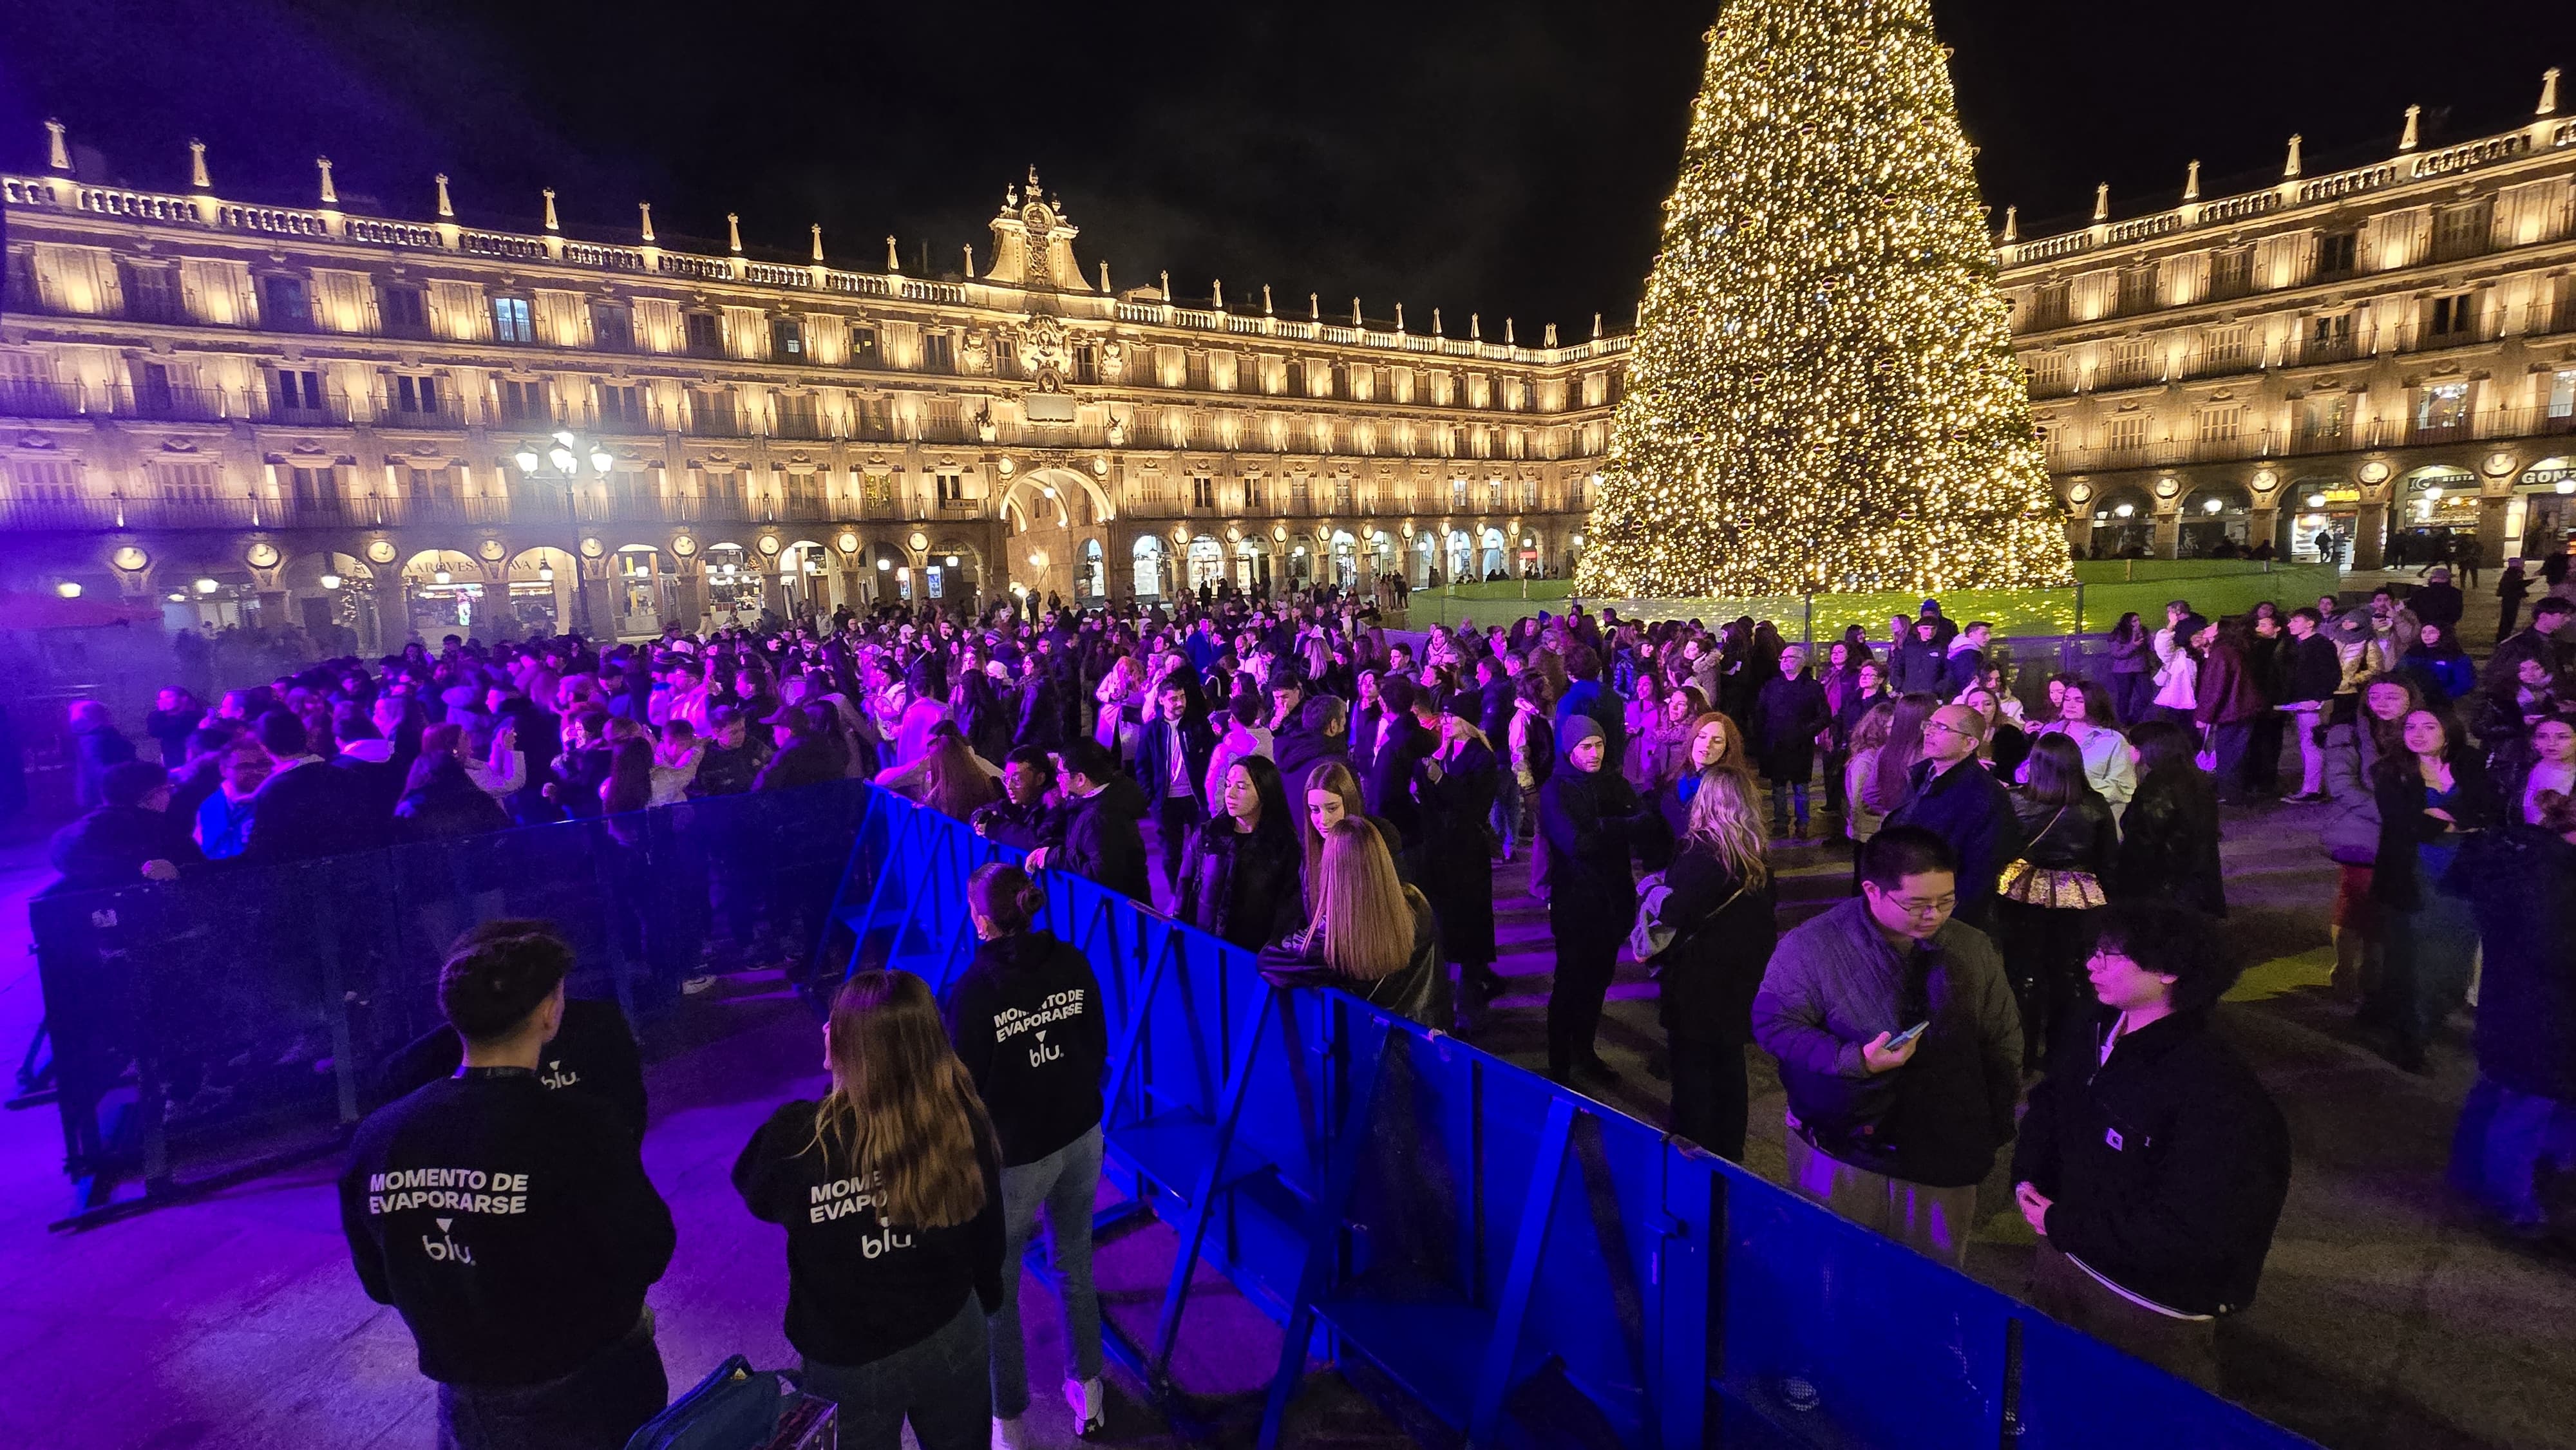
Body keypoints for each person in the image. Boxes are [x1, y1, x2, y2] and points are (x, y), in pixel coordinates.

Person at [341, 923, 675, 1450]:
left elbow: (380, 1278)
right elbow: (648, 1248)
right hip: (586, 1383)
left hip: (464, 1390)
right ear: (549, 1011)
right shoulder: (579, 1128)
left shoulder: (381, 1135)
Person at [2011, 901, 2291, 1390]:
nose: (2090, 965)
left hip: (2145, 1302)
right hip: (2067, 1255)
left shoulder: (2214, 1093)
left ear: (2168, 971)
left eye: (2111, 956)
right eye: (2094, 951)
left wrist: (2061, 1222)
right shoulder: (2097, 1024)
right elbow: (2052, 1104)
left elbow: (2198, 1229)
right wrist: (2029, 1178)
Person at [734, 971, 1005, 1450]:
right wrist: (988, 1295)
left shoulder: (800, 1139)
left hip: (848, 1360)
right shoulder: (960, 1118)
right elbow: (988, 1230)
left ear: (852, 1049)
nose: (824, 1031)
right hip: (950, 1328)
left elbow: (756, 1192)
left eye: (836, 1028)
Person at [1750, 827, 2022, 1268]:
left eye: (1946, 901)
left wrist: (1994, 1121)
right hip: (1844, 1144)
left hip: (1942, 1152)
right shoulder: (1813, 945)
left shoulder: (1971, 946)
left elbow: (2003, 1040)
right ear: (1872, 890)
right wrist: (1853, 1061)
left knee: (1931, 1275)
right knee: (1837, 1265)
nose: (1933, 915)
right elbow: (1773, 1023)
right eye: (1916, 904)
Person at [942, 866, 1110, 1445]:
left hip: (1014, 1158)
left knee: (997, 1289)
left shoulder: (974, 991)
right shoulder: (1074, 962)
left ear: (982, 919)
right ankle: (1090, 1394)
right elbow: (1096, 1047)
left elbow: (962, 1086)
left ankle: (1008, 1423)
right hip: (1081, 1139)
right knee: (1076, 1266)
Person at [2445, 789, 2576, 1241]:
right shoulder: (2554, 875)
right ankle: (2514, 1206)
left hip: (2511, 1001)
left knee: (2500, 1091)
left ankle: (2474, 1177)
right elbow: (2555, 950)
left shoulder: (2523, 856)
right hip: (2548, 1013)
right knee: (2526, 1104)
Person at [1651, 767, 1778, 1160]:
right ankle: (1730, 1150)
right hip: (1742, 974)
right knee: (1729, 1064)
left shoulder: (1703, 850)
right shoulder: (1757, 851)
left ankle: (1692, 1152)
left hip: (1699, 976)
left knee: (1692, 1068)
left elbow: (1678, 910)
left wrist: (1655, 893)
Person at [2363, 708, 2496, 1073]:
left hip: (2463, 876)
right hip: (2413, 875)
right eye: (2411, 727)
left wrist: (2450, 820)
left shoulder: (2470, 762)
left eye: (2429, 726)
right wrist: (2456, 825)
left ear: (2449, 730)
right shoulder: (2390, 771)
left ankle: (2416, 1015)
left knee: (2455, 960)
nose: (2418, 734)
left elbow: (2489, 810)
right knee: (2414, 961)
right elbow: (2404, 822)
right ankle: (2411, 1038)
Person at [1537, 716, 1656, 1083]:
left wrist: (1607, 826)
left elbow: (1646, 822)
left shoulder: (1613, 782)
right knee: (1570, 982)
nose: (1594, 754)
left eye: (1599, 745)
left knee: (1599, 981)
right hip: (1576, 904)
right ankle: (1559, 1064)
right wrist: (1615, 826)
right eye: (1586, 747)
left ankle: (1585, 1052)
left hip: (1612, 900)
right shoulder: (1556, 789)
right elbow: (1577, 843)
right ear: (1569, 750)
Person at [1994, 733, 2117, 1071]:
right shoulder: (2095, 807)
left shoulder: (2014, 801)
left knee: (2023, 973)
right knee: (2070, 975)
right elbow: (2108, 862)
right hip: (2079, 899)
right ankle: (2064, 1053)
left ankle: (2022, 1052)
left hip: (2022, 894)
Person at [1258, 816, 1448, 1028]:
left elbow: (1269, 960)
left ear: (1333, 871)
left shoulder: (1332, 937)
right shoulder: (1415, 902)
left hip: (1368, 1044)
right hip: (1423, 1039)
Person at [2318, 675, 2421, 998]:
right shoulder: (2346, 733)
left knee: (2390, 905)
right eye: (2376, 696)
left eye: (2393, 696)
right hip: (2363, 831)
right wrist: (2391, 814)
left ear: (2411, 699)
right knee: (2356, 901)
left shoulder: (2422, 730)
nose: (2383, 703)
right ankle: (2346, 969)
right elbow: (2342, 785)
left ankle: (2375, 969)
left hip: (2409, 834)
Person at [1883, 703, 2025, 931]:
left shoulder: (1984, 797)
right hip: (1902, 903)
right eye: (1929, 725)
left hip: (1935, 917)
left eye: (1941, 728)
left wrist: (1944, 922)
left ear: (1969, 743)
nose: (1928, 732)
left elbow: (1979, 874)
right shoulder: (1922, 776)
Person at [1413, 696, 1502, 1004]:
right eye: (1445, 718)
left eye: (1452, 718)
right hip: (1442, 849)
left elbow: (1475, 808)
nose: (1446, 723)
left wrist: (1441, 781)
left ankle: (1470, 996)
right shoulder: (1444, 751)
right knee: (1446, 918)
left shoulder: (1483, 759)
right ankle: (1469, 979)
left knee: (1469, 920)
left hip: (1467, 852)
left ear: (1469, 722)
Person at [1177, 755, 1299, 949]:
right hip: (1206, 945)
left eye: (1241, 787)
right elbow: (1185, 886)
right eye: (1227, 785)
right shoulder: (1208, 835)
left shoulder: (1284, 845)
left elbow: (1289, 910)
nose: (1230, 794)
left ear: (1265, 791)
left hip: (1253, 954)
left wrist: (1274, 953)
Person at [48, 758, 200, 892]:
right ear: (152, 795)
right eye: (167, 789)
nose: (170, 796)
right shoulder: (160, 830)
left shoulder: (72, 833)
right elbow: (200, 870)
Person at [1032, 740, 1150, 903]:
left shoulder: (1101, 816)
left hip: (1117, 915)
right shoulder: (1091, 801)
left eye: (1061, 773)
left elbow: (1101, 875)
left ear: (1080, 779)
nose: (1057, 779)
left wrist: (1054, 856)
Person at [1753, 645, 1833, 840]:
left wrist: (1806, 732)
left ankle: (1802, 823)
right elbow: (1760, 713)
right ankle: (1780, 822)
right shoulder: (1771, 685)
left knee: (1801, 787)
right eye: (1783, 658)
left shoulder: (1812, 687)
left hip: (1800, 744)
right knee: (1778, 787)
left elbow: (1824, 716)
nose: (1785, 661)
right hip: (1776, 743)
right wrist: (1763, 735)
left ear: (1801, 661)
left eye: (1790, 657)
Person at [2275, 609, 2342, 803]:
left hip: (2313, 703)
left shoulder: (2321, 645)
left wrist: (2318, 697)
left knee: (2312, 744)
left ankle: (2313, 790)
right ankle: (2311, 788)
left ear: (2310, 623)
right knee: (2307, 744)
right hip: (2301, 702)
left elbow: (2332, 674)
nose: (2290, 625)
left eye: (2295, 621)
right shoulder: (2296, 645)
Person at [971, 746, 1067, 854]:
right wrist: (981, 818)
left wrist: (997, 829)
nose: (1009, 786)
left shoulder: (1055, 806)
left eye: (1017, 779)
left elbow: (1039, 842)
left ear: (1040, 779)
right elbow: (988, 809)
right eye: (1006, 779)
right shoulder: (1016, 803)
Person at [2106, 613, 2155, 726]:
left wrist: (2153, 640)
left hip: (2141, 669)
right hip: (2123, 671)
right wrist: (2133, 645)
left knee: (2146, 695)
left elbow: (2151, 649)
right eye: (2134, 621)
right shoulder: (2118, 634)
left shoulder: (2144, 632)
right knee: (2124, 697)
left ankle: (2133, 721)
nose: (2138, 623)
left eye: (2138, 620)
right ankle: (2123, 723)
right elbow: (2117, 654)